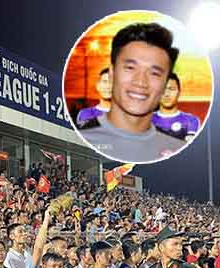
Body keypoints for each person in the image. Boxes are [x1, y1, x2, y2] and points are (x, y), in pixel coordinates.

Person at [77, 22, 187, 163]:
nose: (140, 82)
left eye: (154, 73)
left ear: (165, 85)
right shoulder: (81, 137)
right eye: (130, 68)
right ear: (111, 74)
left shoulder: (175, 148)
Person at [152, 73, 201, 140]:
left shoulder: (191, 120)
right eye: (162, 89)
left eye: (171, 89)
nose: (166, 94)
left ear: (179, 92)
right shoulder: (146, 120)